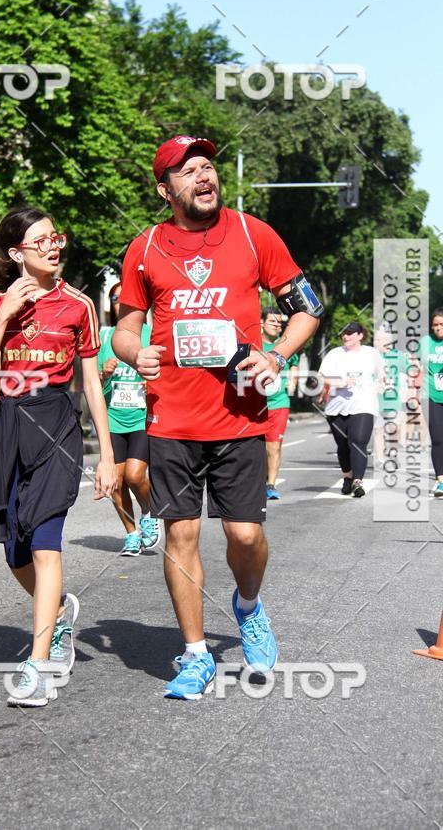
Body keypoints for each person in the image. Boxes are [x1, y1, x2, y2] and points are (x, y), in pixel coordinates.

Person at [112, 135, 321, 700]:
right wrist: (136, 353)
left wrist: (276, 356)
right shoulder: (146, 246)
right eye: (187, 170)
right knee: (179, 535)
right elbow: (125, 328)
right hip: (171, 418)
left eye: (208, 166)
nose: (203, 175)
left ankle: (248, 605)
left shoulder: (254, 233)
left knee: (245, 533)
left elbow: (308, 307)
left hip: (241, 416)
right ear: (166, 189)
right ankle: (196, 654)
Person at [0, 206, 117, 708]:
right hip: (9, 422)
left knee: (45, 541)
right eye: (41, 240)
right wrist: (7, 316)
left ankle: (39, 666)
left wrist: (107, 456)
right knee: (15, 551)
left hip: (56, 419)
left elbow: (92, 385)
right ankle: (56, 615)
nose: (54, 245)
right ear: (16, 253)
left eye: (56, 237)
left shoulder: (79, 305)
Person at [98, 281, 161, 555]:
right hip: (112, 419)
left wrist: (153, 385)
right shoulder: (105, 338)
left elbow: (168, 376)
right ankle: (131, 533)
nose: (120, 302)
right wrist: (105, 374)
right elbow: (94, 388)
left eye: (126, 298)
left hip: (141, 419)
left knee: (135, 476)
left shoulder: (152, 335)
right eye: (115, 298)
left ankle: (149, 512)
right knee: (117, 481)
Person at [318, 321, 385, 497]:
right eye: (344, 333)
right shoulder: (334, 354)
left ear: (360, 335)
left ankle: (357, 481)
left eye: (350, 333)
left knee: (358, 441)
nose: (346, 336)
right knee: (343, 445)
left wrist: (382, 385)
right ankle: (347, 477)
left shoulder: (371, 354)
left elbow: (382, 374)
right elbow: (321, 378)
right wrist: (340, 382)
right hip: (336, 407)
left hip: (364, 405)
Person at [261, 307, 299, 501]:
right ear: (262, 323)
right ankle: (259, 479)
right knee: (255, 447)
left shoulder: (284, 346)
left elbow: (294, 361)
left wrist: (293, 378)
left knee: (274, 446)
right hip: (255, 405)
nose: (277, 325)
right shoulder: (254, 346)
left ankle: (271, 485)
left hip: (279, 402)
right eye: (273, 322)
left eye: (279, 323)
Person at [373, 328, 409, 467]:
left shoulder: (399, 356)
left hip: (393, 398)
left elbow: (409, 371)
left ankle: (392, 452)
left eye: (378, 340)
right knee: (378, 429)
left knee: (394, 427)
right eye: (375, 339)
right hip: (376, 398)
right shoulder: (372, 356)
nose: (375, 342)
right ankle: (381, 459)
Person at [420, 308, 443, 496]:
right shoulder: (425, 343)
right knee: (437, 439)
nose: (438, 328)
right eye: (435, 325)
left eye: (441, 325)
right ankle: (440, 480)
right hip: (431, 395)